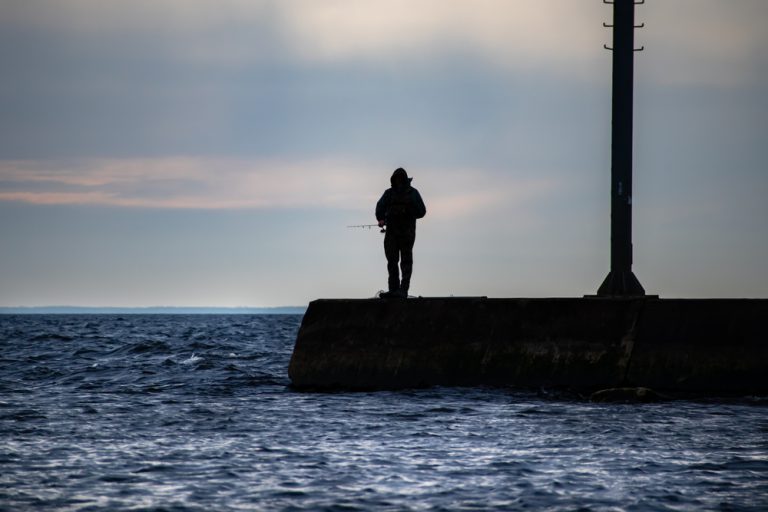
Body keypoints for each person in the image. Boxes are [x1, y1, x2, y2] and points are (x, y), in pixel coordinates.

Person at [375, 167, 426, 298]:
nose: (398, 180)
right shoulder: (388, 193)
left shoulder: (413, 193)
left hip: (407, 233)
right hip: (391, 233)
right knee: (392, 261)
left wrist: (408, 212)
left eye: (400, 178)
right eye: (396, 178)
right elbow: (379, 207)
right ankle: (393, 289)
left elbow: (422, 211)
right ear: (393, 179)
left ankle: (403, 290)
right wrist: (381, 219)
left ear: (404, 179)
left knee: (406, 262)